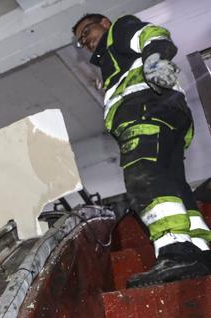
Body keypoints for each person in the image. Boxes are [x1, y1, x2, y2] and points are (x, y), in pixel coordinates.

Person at [73, 13, 211, 287]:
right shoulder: (112, 61)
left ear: (105, 23)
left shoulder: (120, 30)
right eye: (81, 40)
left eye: (87, 30)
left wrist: (154, 60)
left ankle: (174, 250)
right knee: (174, 185)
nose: (86, 40)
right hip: (165, 115)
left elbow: (152, 34)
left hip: (145, 111)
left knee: (143, 177)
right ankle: (200, 251)